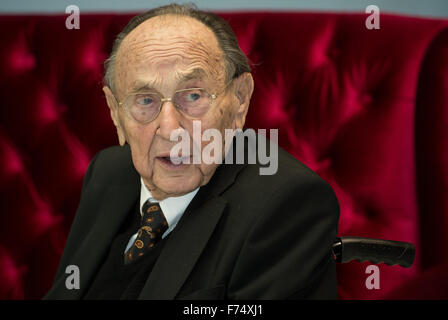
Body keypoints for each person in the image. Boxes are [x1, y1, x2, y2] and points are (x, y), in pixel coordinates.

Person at [44, 3, 340, 300]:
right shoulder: (108, 171)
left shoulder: (290, 205)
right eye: (145, 100)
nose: (171, 129)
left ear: (240, 100)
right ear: (114, 112)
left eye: (193, 95)